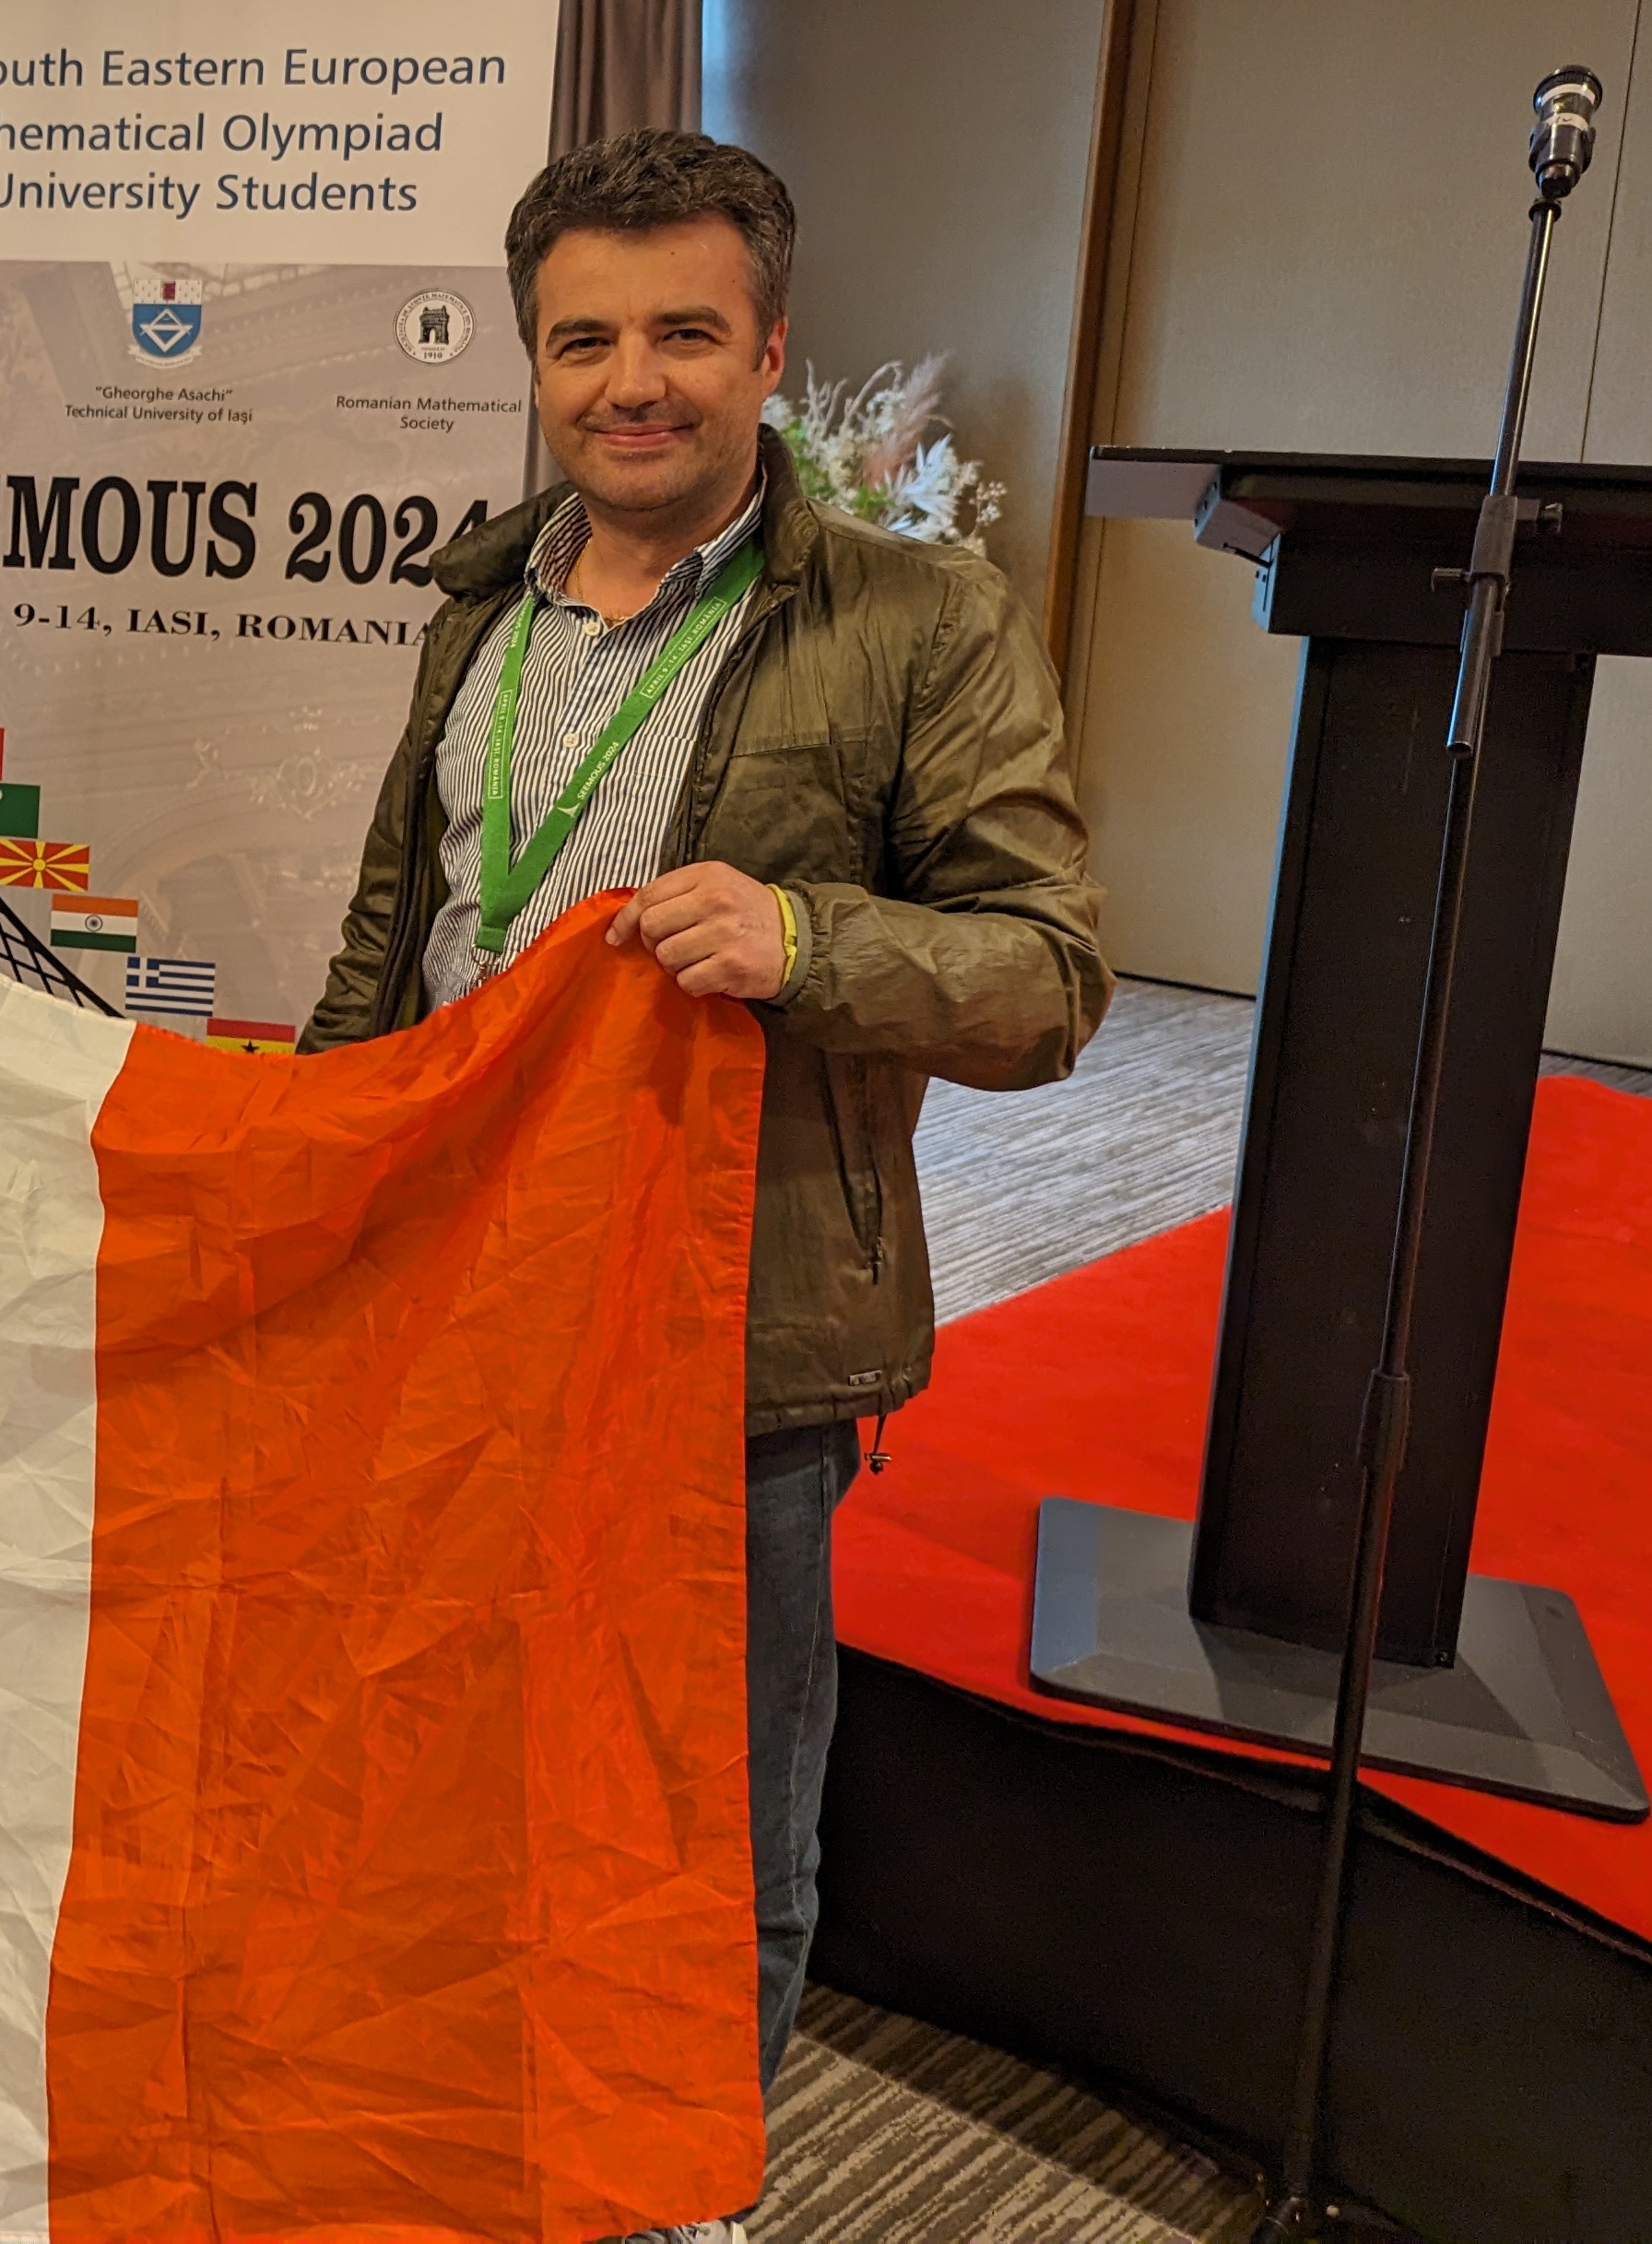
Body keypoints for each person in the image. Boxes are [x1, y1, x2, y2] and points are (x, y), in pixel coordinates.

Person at [300, 128, 1108, 2243]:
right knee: (448, 1742)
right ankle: (467, 2109)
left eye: (681, 331)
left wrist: (808, 940)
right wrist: (307, 1184)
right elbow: (397, 932)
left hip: (729, 1320)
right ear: (533, 362)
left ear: (766, 351)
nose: (629, 380)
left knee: (710, 1800)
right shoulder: (474, 602)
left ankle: (679, 2181)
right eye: (583, 339)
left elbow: (1047, 979)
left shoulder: (914, 620)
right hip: (461, 1286)